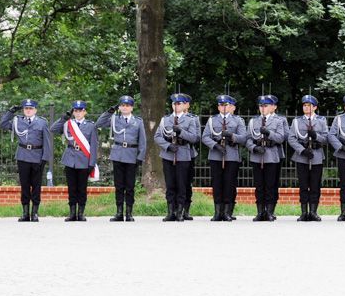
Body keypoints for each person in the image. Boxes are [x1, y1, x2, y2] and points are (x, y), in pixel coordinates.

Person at [0, 98, 52, 222]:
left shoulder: (42, 123)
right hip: (23, 156)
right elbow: (2, 124)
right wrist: (10, 112)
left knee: (36, 186)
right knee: (25, 186)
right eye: (26, 108)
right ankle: (25, 213)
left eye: (31, 108)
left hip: (37, 156)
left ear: (35, 110)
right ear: (23, 110)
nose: (28, 111)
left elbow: (47, 142)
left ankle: (34, 213)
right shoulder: (18, 121)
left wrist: (44, 159)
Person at [96, 95, 147, 222]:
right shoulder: (114, 119)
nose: (125, 107)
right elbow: (99, 123)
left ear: (132, 107)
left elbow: (143, 141)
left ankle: (129, 213)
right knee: (119, 186)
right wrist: (109, 112)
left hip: (131, 155)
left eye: (128, 105)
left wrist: (140, 157)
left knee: (130, 186)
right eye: (123, 105)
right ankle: (119, 212)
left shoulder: (138, 122)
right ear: (119, 107)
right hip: (118, 155)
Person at [50, 100, 99, 221]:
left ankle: (81, 213)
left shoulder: (91, 126)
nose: (78, 113)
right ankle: (72, 213)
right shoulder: (68, 124)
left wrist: (91, 163)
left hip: (84, 159)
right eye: (75, 111)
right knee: (71, 188)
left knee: (82, 188)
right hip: (70, 159)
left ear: (84, 112)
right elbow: (53, 129)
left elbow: (94, 145)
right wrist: (63, 118)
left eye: (80, 111)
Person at [155, 93, 201, 221]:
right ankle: (171, 212)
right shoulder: (165, 120)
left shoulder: (190, 120)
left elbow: (194, 138)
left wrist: (181, 132)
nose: (176, 105)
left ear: (184, 105)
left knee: (181, 184)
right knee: (170, 184)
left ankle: (180, 212)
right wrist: (167, 146)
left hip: (183, 154)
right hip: (168, 154)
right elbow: (157, 136)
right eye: (174, 103)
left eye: (179, 103)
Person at [203, 94, 247, 222]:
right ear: (218, 107)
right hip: (216, 155)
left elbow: (244, 137)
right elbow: (205, 136)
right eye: (221, 105)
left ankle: (227, 212)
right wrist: (215, 145)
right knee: (217, 184)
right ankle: (217, 212)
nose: (223, 107)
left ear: (232, 107)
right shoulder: (212, 120)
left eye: (225, 105)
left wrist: (232, 136)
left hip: (231, 155)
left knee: (229, 184)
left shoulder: (238, 120)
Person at [246, 94, 288, 222]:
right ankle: (260, 211)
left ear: (273, 107)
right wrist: (253, 148)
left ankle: (269, 211)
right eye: (261, 106)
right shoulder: (253, 121)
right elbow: (248, 138)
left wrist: (269, 133)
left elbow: (282, 137)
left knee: (270, 185)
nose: (262, 108)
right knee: (259, 185)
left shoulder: (279, 121)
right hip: (257, 155)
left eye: (265, 105)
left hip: (272, 155)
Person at [288, 94, 330, 221]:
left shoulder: (321, 121)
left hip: (316, 156)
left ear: (315, 107)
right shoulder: (296, 121)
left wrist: (316, 136)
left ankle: (313, 212)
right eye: (304, 105)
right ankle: (304, 212)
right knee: (303, 185)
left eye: (309, 105)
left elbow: (326, 138)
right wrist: (302, 150)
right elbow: (291, 138)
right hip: (302, 156)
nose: (306, 107)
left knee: (315, 185)